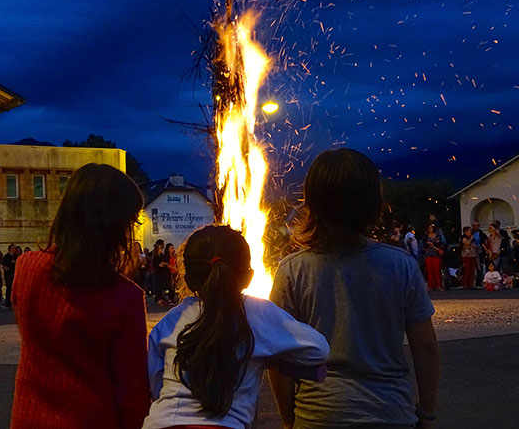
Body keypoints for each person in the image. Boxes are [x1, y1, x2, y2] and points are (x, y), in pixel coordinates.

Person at [270, 148, 440, 429]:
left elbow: (280, 357)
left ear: (312, 204)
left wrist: (289, 419)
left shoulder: (293, 270)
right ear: (374, 203)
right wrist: (427, 413)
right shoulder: (400, 266)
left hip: (318, 416)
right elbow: (425, 345)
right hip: (390, 413)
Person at [143, 225, 330, 429]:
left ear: (188, 279)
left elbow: (156, 382)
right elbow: (318, 351)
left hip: (162, 423)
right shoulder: (258, 313)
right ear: (249, 277)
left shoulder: (170, 321)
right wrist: (271, 354)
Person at [11, 163, 149, 429]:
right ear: (114, 226)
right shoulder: (124, 297)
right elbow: (132, 394)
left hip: (27, 418)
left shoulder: (26, 268)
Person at [423, 225, 443, 291]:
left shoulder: (437, 236)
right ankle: (430, 286)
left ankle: (438, 285)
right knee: (429, 271)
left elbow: (439, 244)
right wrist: (430, 243)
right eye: (429, 227)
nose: (430, 229)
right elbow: (424, 244)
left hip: (436, 255)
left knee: (437, 270)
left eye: (431, 227)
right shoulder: (426, 236)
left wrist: (431, 243)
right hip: (428, 255)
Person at [472, 220, 488, 287]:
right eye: (474, 225)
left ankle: (478, 283)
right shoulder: (470, 233)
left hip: (480, 252)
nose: (476, 227)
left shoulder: (482, 234)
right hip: (472, 253)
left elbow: (485, 242)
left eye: (477, 225)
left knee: (480, 268)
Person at [1, 244, 18, 308]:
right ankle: (8, 303)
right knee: (9, 288)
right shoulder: (6, 257)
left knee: (15, 289)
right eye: (14, 248)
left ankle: (14, 302)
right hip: (8, 275)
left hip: (15, 274)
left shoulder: (16, 256)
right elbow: (4, 266)